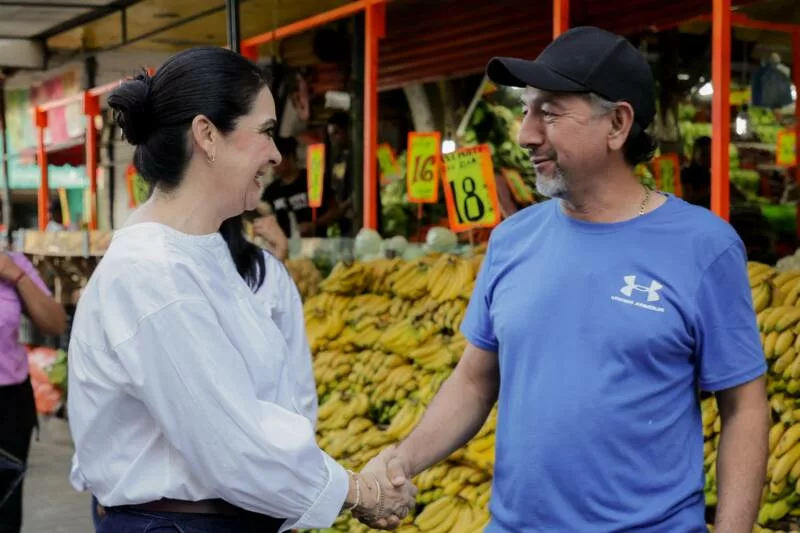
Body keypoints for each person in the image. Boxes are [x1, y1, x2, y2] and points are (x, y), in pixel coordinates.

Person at [367, 26, 769, 532]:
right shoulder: (511, 240)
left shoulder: (704, 247)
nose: (525, 134)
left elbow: (744, 406)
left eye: (550, 113)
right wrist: (402, 460)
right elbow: (474, 381)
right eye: (526, 110)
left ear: (617, 124)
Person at [66, 46, 415, 533]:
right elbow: (230, 444)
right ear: (207, 135)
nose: (276, 154)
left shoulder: (197, 255)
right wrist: (357, 492)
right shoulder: (153, 273)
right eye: (266, 132)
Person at [0, 251, 66, 533]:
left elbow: (55, 323)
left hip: (9, 406)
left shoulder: (12, 263)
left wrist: (17, 276)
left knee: (5, 510)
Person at [257, 136, 341, 241]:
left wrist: (314, 224)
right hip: (286, 244)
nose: (273, 165)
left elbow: (335, 210)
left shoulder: (312, 179)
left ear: (290, 157)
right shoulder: (272, 190)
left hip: (317, 242)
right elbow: (262, 215)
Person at [326, 111, 355, 237]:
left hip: (357, 220)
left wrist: (344, 206)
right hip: (341, 222)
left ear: (348, 130)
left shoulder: (360, 155)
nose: (332, 139)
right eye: (330, 135)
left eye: (336, 133)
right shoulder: (338, 158)